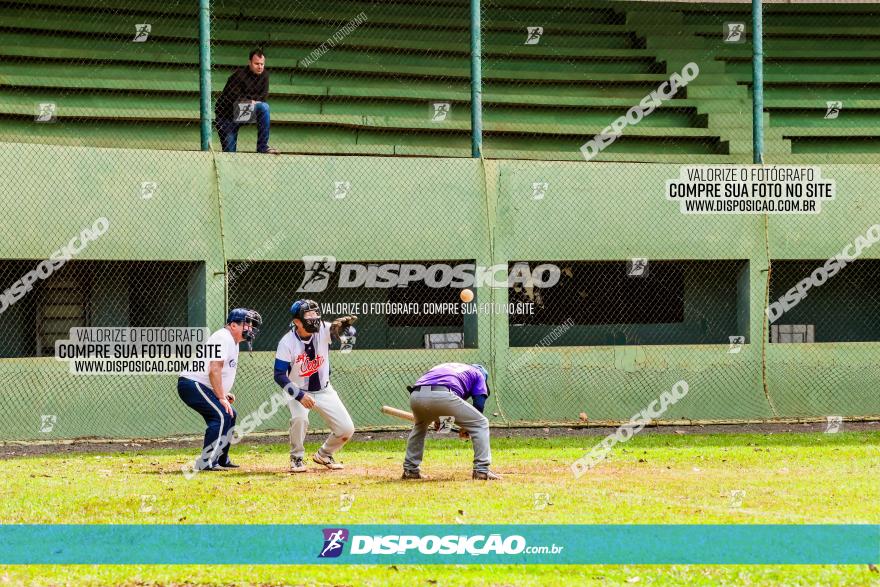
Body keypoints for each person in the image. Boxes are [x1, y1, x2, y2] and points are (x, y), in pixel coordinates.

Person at [273, 299, 358, 472]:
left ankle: (324, 454)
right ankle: (296, 457)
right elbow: (279, 375)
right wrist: (299, 395)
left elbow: (345, 334)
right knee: (300, 419)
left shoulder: (324, 329)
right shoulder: (287, 342)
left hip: (324, 389)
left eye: (316, 313)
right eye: (309, 315)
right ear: (297, 321)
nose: (314, 318)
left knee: (346, 429)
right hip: (298, 390)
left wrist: (345, 331)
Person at [178, 308, 262, 471]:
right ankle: (206, 462)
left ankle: (221, 459)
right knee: (221, 415)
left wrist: (222, 394)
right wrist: (221, 398)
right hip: (192, 383)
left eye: (251, 325)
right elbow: (214, 369)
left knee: (230, 414)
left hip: (202, 385)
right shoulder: (223, 337)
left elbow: (219, 372)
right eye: (247, 325)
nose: (250, 329)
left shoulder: (233, 342)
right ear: (233, 325)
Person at [402, 363, 501, 480]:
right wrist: (467, 428)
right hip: (443, 395)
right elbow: (478, 406)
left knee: (420, 427)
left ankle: (410, 470)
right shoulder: (479, 374)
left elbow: (446, 405)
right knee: (481, 423)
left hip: (416, 395)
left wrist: (442, 423)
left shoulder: (450, 368)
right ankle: (482, 470)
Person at [214, 49, 278, 154]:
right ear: (249, 63)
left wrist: (247, 100)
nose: (260, 66)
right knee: (230, 154)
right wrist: (251, 101)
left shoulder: (265, 75)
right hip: (226, 116)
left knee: (264, 107)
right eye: (256, 63)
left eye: (262, 64)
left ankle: (262, 147)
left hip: (243, 112)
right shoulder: (239, 75)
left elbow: (263, 97)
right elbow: (232, 97)